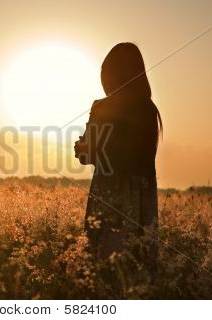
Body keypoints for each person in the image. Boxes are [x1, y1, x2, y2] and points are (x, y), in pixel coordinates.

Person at [74, 42, 163, 283]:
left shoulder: (104, 107)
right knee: (137, 274)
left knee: (104, 273)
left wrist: (80, 147)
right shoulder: (149, 109)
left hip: (109, 194)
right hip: (143, 199)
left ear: (111, 74)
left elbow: (88, 154)